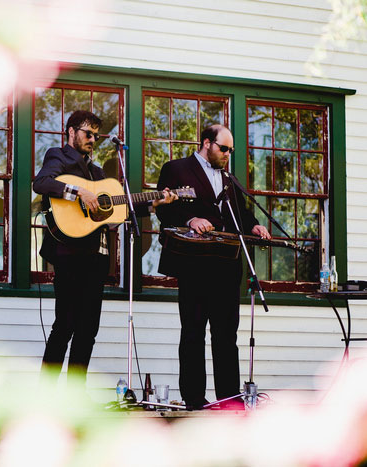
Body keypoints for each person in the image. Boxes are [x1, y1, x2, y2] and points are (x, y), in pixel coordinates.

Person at [33, 110, 176, 385]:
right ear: (71, 132)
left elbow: (118, 207)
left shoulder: (98, 174)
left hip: (96, 258)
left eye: (96, 136)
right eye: (88, 134)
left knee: (88, 329)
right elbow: (42, 183)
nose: (93, 140)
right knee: (65, 325)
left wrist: (155, 203)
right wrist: (78, 192)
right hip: (68, 254)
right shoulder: (58, 156)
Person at [155, 124, 270, 410]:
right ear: (207, 143)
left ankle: (229, 398)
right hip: (195, 264)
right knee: (193, 331)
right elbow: (163, 207)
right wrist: (191, 220)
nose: (228, 154)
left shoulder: (228, 178)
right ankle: (195, 399)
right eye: (224, 148)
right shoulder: (177, 169)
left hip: (227, 265)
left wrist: (253, 224)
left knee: (226, 334)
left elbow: (238, 213)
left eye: (231, 150)